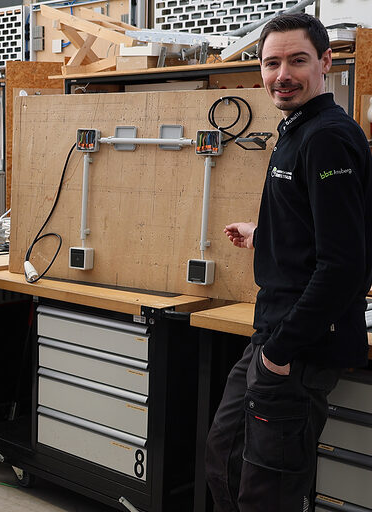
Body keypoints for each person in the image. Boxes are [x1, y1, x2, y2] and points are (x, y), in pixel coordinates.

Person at [205, 13, 372, 512]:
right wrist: (266, 234)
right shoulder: (296, 131)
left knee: (267, 492)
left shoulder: (326, 138)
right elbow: (318, 227)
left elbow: (345, 263)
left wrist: (280, 351)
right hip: (273, 335)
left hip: (295, 348)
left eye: (297, 60)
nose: (283, 74)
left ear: (324, 61)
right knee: (226, 459)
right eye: (271, 62)